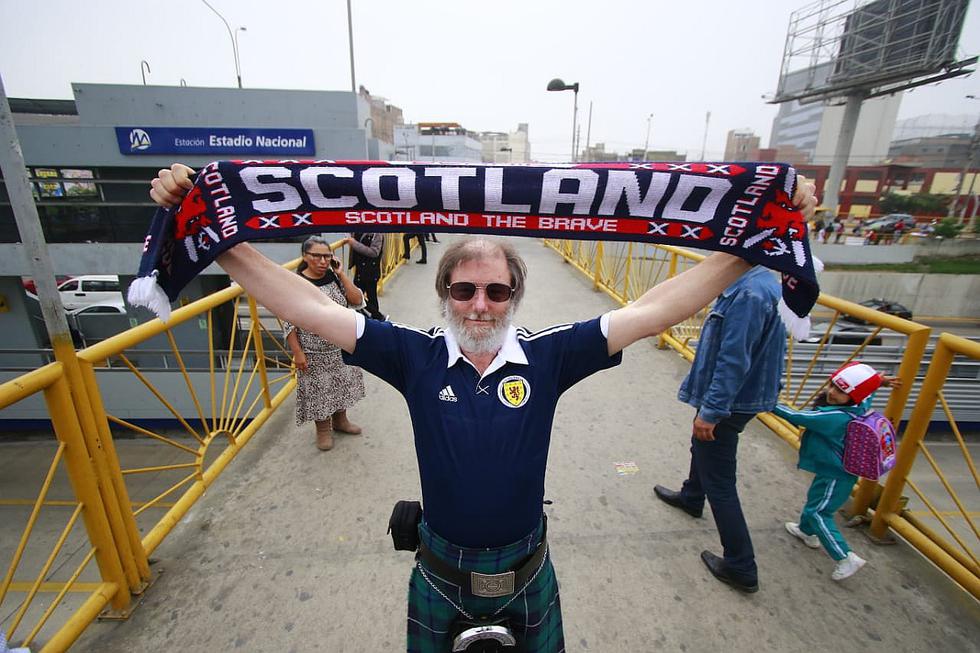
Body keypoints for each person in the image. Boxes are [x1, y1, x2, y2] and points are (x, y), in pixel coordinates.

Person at [150, 163, 817, 652]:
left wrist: (749, 247)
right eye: (465, 289)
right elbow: (308, 307)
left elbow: (648, 312)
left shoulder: (551, 355)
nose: (479, 303)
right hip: (438, 572)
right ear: (444, 292)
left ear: (515, 297)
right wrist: (214, 235)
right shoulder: (410, 353)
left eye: (496, 291)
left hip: (528, 569)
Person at [652, 265, 787, 594]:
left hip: (732, 400)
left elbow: (734, 358)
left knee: (721, 479)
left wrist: (712, 411)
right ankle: (691, 495)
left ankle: (741, 564)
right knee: (703, 447)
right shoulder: (761, 282)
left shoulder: (748, 294)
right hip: (741, 395)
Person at [773, 362, 900, 581]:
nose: (831, 392)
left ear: (852, 395)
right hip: (836, 470)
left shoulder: (834, 417)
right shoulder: (858, 404)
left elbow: (798, 417)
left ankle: (845, 557)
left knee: (819, 512)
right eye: (832, 385)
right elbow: (866, 393)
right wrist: (879, 381)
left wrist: (765, 403)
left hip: (836, 473)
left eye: (840, 391)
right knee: (816, 500)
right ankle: (807, 531)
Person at [285, 236, 366, 451]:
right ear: (305, 256)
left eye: (326, 256)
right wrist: (297, 352)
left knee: (341, 383)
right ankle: (323, 429)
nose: (322, 261)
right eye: (316, 256)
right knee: (318, 391)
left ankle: (340, 421)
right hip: (313, 350)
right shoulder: (297, 284)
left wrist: (341, 274)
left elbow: (357, 301)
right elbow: (288, 322)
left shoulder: (335, 278)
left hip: (340, 345)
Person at [343, 232, 387, 321]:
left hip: (369, 271)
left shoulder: (377, 233)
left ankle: (377, 316)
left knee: (364, 296)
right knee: (366, 296)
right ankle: (376, 318)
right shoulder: (361, 229)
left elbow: (374, 252)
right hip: (362, 270)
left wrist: (354, 243)